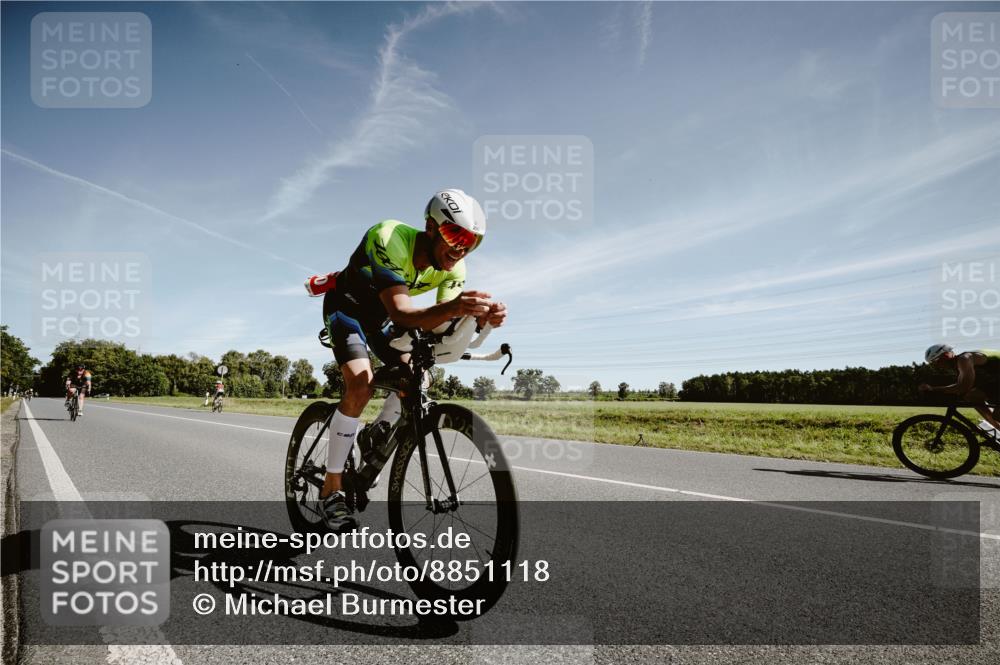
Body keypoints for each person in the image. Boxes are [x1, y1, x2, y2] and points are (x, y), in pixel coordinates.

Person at [313, 189, 506, 529]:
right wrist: (458, 306)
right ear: (431, 227)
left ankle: (376, 433)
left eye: (471, 241)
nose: (461, 247)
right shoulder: (389, 237)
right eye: (454, 235)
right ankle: (332, 490)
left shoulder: (454, 266)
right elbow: (403, 311)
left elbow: (441, 325)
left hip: (384, 320)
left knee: (419, 375)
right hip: (349, 309)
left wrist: (477, 320)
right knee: (361, 383)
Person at [919, 345, 1000, 431]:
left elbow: (963, 387)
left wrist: (933, 389)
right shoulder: (959, 364)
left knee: (998, 415)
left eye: (936, 361)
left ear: (946, 355)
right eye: (932, 364)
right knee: (972, 396)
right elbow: (960, 385)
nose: (936, 366)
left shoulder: (964, 359)